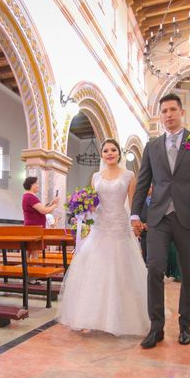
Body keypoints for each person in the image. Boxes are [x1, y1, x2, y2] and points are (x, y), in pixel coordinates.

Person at [131, 93, 190, 349]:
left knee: (188, 272)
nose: (168, 115)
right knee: (155, 268)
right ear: (160, 116)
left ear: (182, 112)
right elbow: (143, 182)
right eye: (164, 111)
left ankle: (185, 325)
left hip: (188, 215)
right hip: (158, 217)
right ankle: (156, 327)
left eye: (172, 110)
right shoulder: (152, 146)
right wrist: (135, 213)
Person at [57, 139, 150, 336]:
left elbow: (134, 204)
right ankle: (87, 317)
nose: (109, 153)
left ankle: (122, 318)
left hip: (119, 225)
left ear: (119, 153)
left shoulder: (129, 175)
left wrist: (136, 223)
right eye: (106, 150)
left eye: (113, 150)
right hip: (99, 227)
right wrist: (82, 207)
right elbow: (93, 202)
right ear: (101, 155)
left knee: (121, 270)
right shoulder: (96, 176)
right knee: (94, 270)